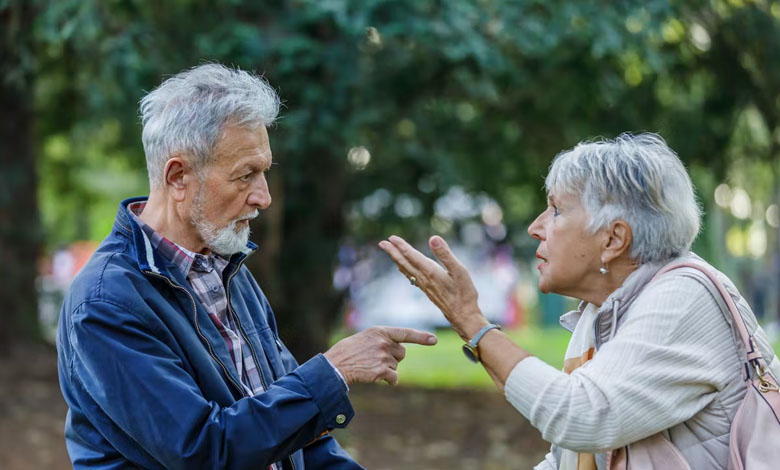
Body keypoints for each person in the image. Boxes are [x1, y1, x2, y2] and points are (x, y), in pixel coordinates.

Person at [56, 63, 438, 470]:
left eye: (265, 172)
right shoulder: (106, 303)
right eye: (246, 175)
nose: (264, 197)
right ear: (179, 177)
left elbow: (298, 440)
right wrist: (334, 370)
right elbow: (204, 452)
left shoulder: (228, 271)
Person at [379, 132, 780, 470]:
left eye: (556, 210)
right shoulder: (602, 309)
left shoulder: (684, 298)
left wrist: (472, 321)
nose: (536, 227)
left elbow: (581, 416)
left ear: (613, 240)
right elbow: (568, 457)